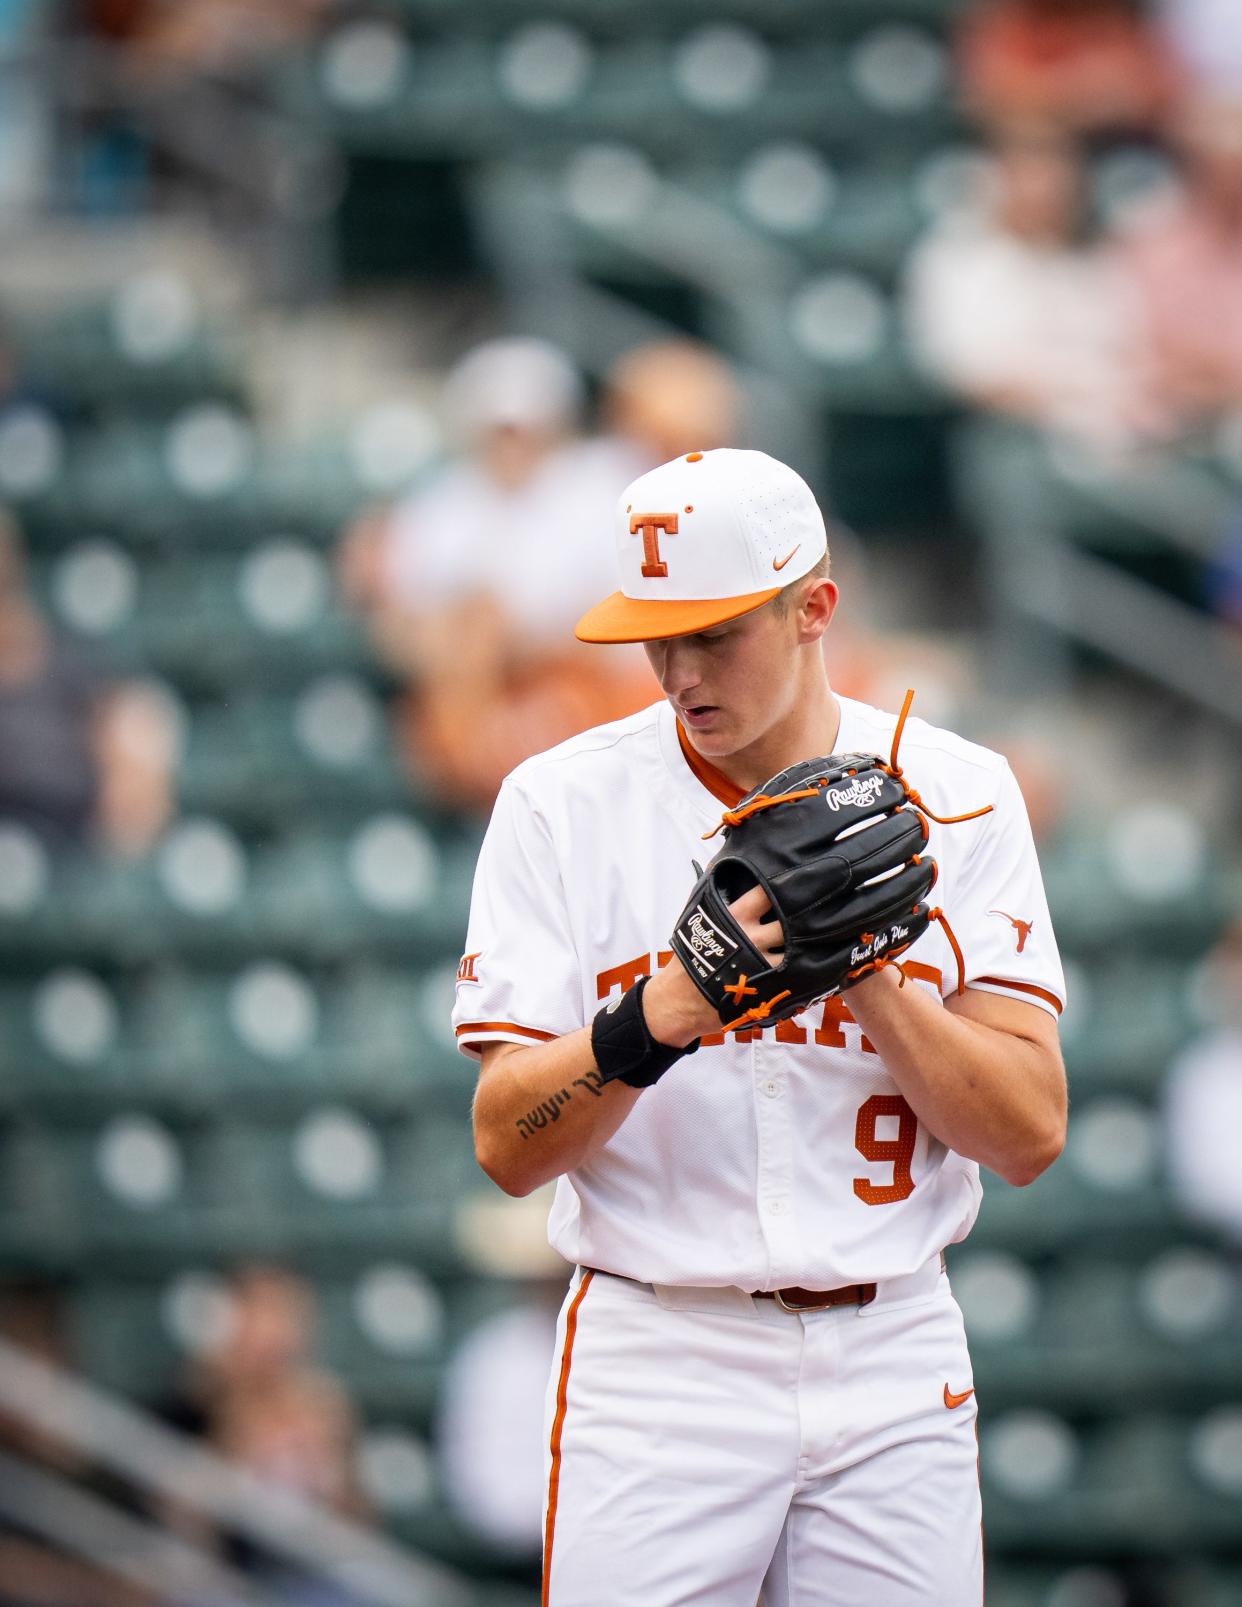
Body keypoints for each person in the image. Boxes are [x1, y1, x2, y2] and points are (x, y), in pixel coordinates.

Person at [453, 448, 1068, 1605]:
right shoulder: (560, 801)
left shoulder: (964, 791)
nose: (680, 669)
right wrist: (660, 1014)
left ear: (814, 609)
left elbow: (1030, 1131)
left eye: (715, 631)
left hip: (893, 1346)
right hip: (663, 1351)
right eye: (656, 635)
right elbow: (505, 1141)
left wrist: (872, 976)